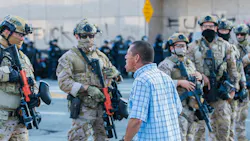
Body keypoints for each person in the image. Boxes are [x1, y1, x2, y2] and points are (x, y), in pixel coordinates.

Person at [56, 19, 120, 141]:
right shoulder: (69, 57)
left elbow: (115, 76)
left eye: (91, 36)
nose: (88, 39)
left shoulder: (101, 56)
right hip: (83, 106)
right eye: (84, 36)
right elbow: (63, 82)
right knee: (78, 138)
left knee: (103, 137)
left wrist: (116, 74)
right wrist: (87, 88)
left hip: (102, 105)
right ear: (77, 36)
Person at [187, 15, 239, 141]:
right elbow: (187, 66)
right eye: (205, 26)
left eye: (211, 26)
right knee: (198, 129)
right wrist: (200, 76)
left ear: (216, 28)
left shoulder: (226, 46)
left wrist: (233, 89)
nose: (208, 28)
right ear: (201, 28)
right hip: (199, 93)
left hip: (219, 92)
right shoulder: (193, 47)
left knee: (223, 126)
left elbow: (233, 69)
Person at [123, 41, 182, 141]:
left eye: (128, 55)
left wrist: (126, 139)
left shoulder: (142, 80)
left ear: (136, 58)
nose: (125, 57)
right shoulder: (165, 77)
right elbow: (178, 109)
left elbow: (137, 120)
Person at [158, 33, 205, 141]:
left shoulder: (189, 63)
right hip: (176, 108)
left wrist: (200, 78)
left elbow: (197, 85)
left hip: (192, 107)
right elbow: (160, 84)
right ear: (171, 48)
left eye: (183, 46)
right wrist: (179, 82)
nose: (181, 48)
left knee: (191, 137)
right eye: (178, 46)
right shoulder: (166, 64)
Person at [0, 15, 35, 140]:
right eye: (19, 34)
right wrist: (7, 74)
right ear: (6, 31)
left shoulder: (22, 57)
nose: (22, 38)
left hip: (20, 118)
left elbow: (31, 80)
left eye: (23, 35)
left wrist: (35, 96)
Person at [217, 19, 248, 141]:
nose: (223, 32)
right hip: (219, 89)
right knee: (217, 123)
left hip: (233, 88)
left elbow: (239, 68)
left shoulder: (234, 47)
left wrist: (243, 85)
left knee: (233, 119)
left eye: (226, 30)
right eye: (221, 30)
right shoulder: (214, 47)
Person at [233, 24, 250, 141]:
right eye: (237, 34)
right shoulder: (233, 48)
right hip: (243, 85)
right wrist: (247, 58)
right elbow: (235, 66)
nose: (239, 36)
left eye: (242, 34)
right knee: (241, 116)